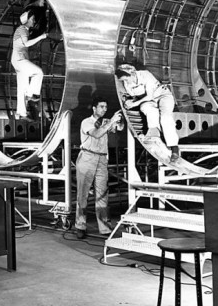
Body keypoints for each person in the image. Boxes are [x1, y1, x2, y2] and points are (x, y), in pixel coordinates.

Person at [75, 97, 124, 239]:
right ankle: (80, 225)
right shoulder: (86, 122)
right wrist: (111, 121)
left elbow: (119, 128)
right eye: (101, 106)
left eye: (106, 107)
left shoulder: (106, 122)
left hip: (102, 159)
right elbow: (97, 134)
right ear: (94, 108)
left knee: (102, 194)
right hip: (87, 158)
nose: (104, 109)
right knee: (83, 194)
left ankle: (105, 228)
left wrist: (119, 120)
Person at [114, 64, 180, 162]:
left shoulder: (145, 75)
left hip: (163, 96)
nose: (126, 82)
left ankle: (174, 148)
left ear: (132, 73)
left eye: (127, 79)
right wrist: (129, 102)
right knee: (145, 108)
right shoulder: (127, 84)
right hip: (150, 102)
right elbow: (137, 97)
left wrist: (134, 104)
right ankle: (156, 133)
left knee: (165, 118)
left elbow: (149, 95)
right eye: (124, 80)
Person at [11, 8, 48, 120]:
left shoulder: (23, 30)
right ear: (27, 20)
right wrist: (41, 37)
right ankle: (30, 95)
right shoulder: (22, 29)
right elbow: (26, 44)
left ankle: (21, 114)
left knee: (22, 88)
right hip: (20, 60)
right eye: (32, 19)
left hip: (18, 60)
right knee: (38, 72)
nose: (34, 21)